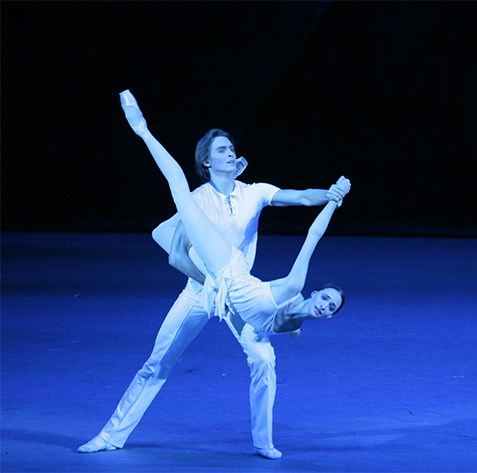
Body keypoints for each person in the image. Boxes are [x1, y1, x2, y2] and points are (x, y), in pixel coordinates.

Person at [77, 90, 350, 459]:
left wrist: (330, 194)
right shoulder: (198, 199)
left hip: (242, 291)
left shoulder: (254, 192)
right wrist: (210, 284)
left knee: (264, 360)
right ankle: (111, 435)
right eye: (222, 150)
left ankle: (263, 441)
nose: (231, 152)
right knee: (158, 361)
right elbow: (171, 249)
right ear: (206, 160)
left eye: (232, 148)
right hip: (201, 289)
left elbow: (300, 197)